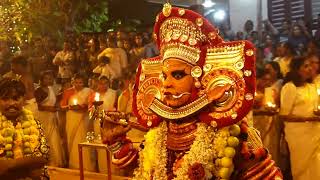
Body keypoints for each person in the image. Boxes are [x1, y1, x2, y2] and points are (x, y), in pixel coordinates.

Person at [100, 4, 282, 179]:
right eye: (164, 76)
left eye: (178, 75)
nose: (166, 85)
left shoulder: (230, 133)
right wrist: (116, 142)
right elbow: (143, 169)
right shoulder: (161, 129)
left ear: (200, 79)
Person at [280, 56, 320, 180]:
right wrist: (308, 119)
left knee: (316, 163)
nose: (310, 69)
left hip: (315, 131)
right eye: (305, 66)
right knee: (301, 164)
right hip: (298, 133)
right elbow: (284, 115)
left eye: (310, 66)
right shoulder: (290, 87)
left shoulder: (312, 87)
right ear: (297, 70)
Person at [0, 78, 49, 179]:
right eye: (5, 99)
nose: (11, 103)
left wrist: (11, 165)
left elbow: (43, 157)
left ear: (24, 98)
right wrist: (26, 167)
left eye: (16, 98)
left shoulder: (35, 124)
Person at [60, 73, 95, 171]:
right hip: (71, 117)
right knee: (73, 140)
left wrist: (82, 107)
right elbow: (62, 106)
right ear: (73, 82)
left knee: (83, 139)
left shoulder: (89, 91)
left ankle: (87, 166)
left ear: (84, 83)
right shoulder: (68, 92)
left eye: (80, 83)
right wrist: (71, 107)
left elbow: (92, 105)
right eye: (76, 82)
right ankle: (74, 164)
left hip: (83, 119)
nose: (78, 85)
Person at [35, 70, 64, 167]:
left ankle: (55, 161)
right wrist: (49, 108)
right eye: (46, 78)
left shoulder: (51, 89)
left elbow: (54, 102)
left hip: (52, 117)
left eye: (50, 78)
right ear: (42, 80)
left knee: (54, 138)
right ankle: (44, 160)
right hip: (43, 117)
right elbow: (38, 106)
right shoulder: (39, 90)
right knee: (45, 137)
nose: (48, 80)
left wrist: (57, 107)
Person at [3, 55, 39, 120]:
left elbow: (24, 94)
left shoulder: (25, 77)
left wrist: (17, 103)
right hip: (31, 104)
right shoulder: (25, 76)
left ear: (19, 66)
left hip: (28, 105)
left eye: (13, 66)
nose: (12, 68)